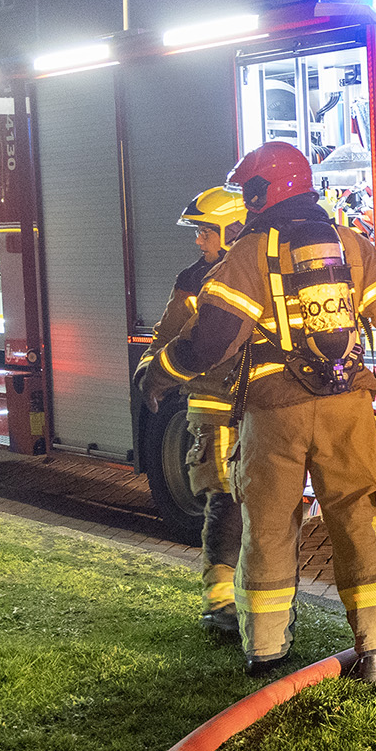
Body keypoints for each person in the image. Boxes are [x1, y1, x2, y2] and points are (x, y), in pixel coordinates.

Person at [143, 142, 376, 682]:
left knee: (268, 529)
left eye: (249, 192)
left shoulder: (249, 254)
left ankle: (267, 651)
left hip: (273, 415)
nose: (246, 202)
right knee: (357, 520)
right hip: (347, 408)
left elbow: (210, 341)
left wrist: (158, 372)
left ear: (263, 193)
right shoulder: (351, 244)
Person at [136, 187, 250, 640]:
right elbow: (166, 334)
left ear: (233, 230)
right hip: (213, 406)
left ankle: (259, 599)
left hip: (263, 405)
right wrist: (149, 373)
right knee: (224, 499)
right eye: (199, 232)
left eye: (206, 231)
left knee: (264, 504)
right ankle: (221, 604)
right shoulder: (193, 279)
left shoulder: (258, 269)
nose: (199, 240)